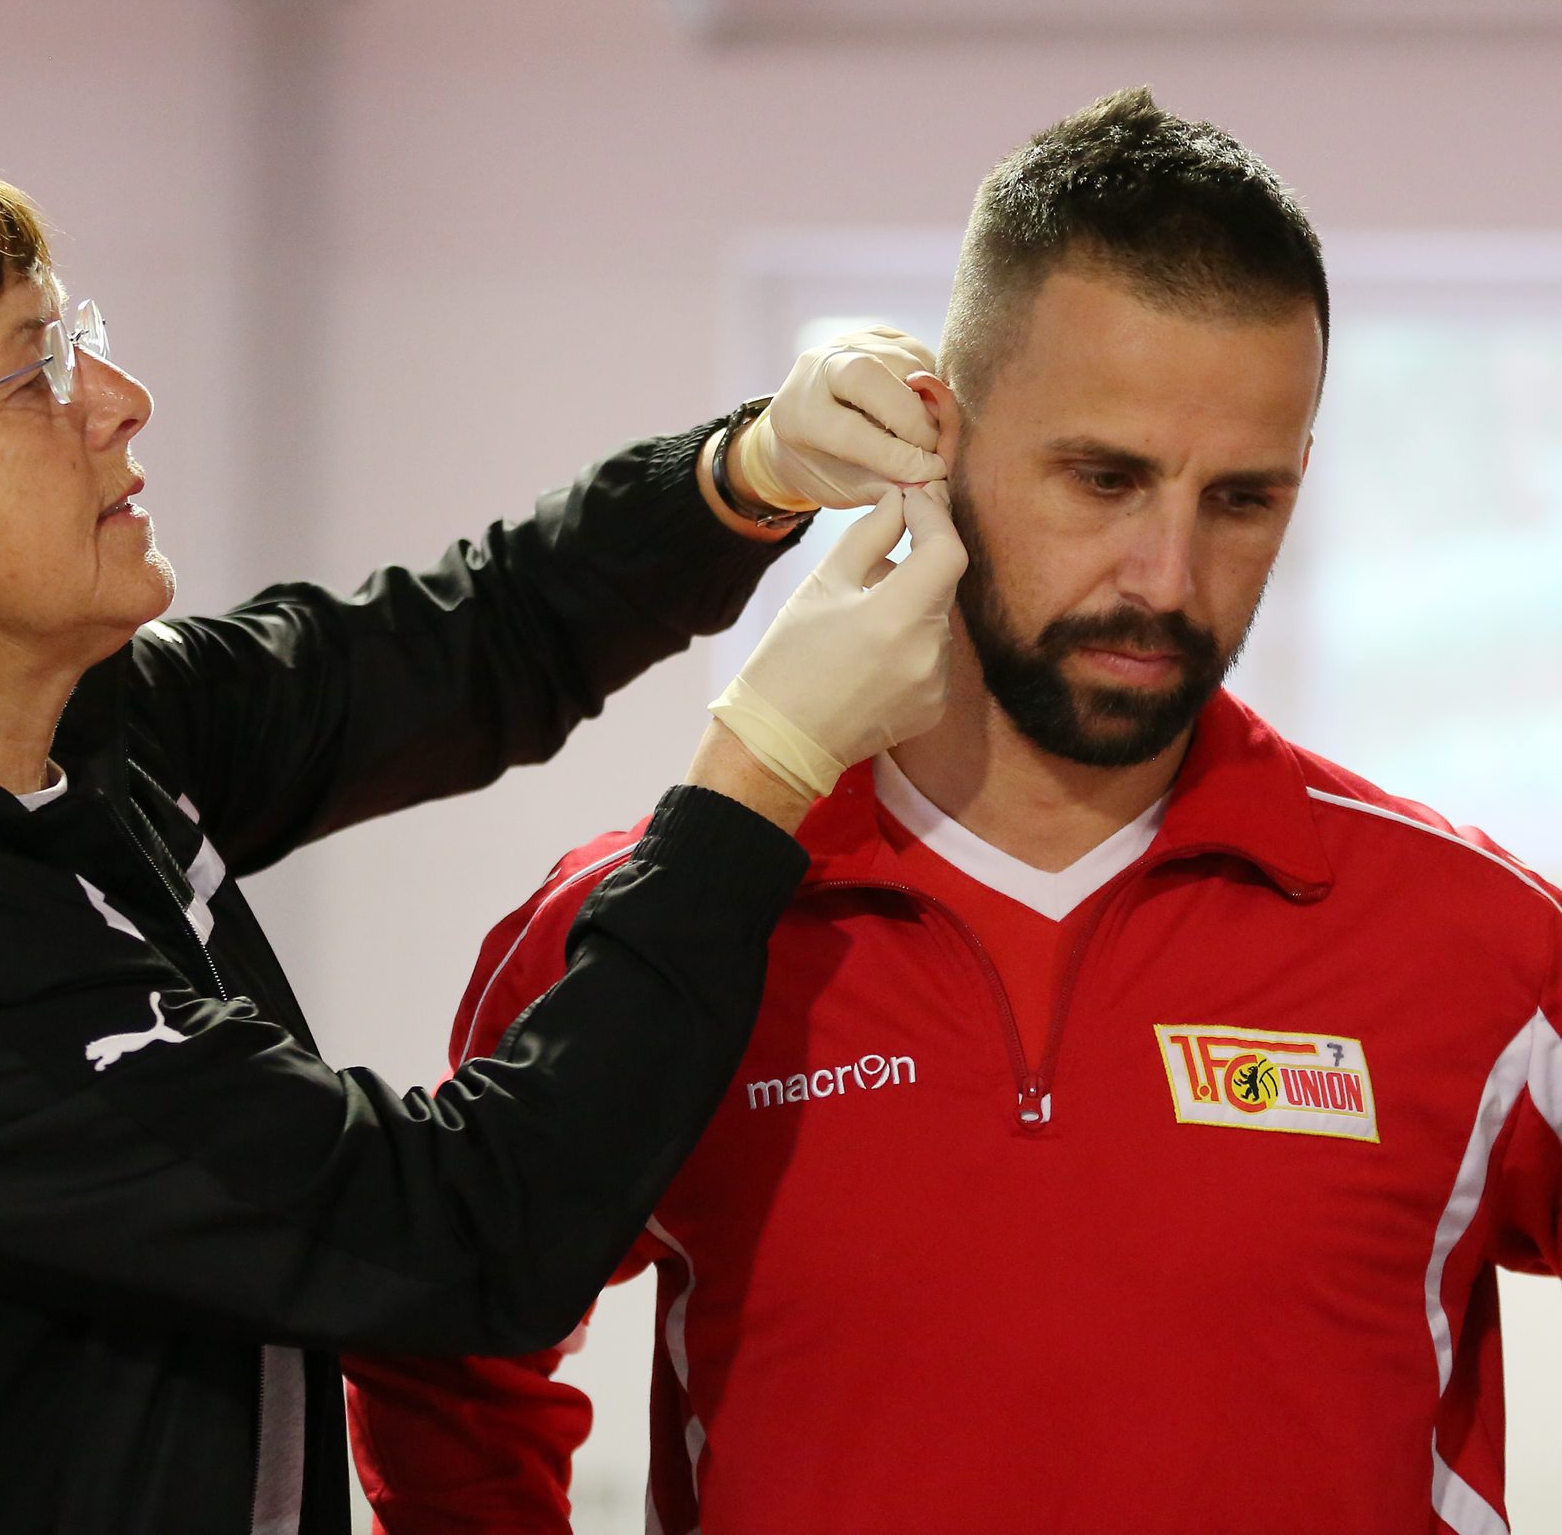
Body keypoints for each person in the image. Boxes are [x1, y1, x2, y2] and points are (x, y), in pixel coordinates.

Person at [0, 145, 969, 1533]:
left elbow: (469, 643)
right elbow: (462, 1234)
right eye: (29, 376)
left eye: (78, 337)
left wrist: (745, 471)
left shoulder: (70, 725)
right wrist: (764, 767)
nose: (119, 399)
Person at [344, 88, 1562, 1534]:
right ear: (935, 439)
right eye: (1103, 479)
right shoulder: (643, 939)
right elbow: (444, 1353)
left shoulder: (1479, 949)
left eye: (1242, 501)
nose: (1167, 578)